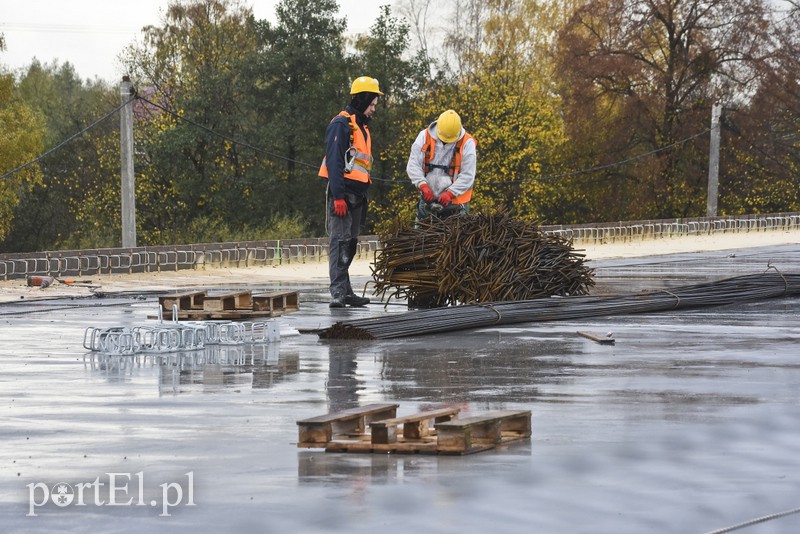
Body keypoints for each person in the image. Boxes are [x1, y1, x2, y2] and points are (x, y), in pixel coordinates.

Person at [319, 76, 383, 308]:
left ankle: (345, 291)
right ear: (363, 98)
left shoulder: (362, 127)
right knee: (339, 242)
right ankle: (337, 292)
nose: (374, 109)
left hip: (358, 195)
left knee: (350, 243)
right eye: (372, 104)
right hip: (343, 195)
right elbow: (335, 162)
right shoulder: (341, 124)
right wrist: (338, 197)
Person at [406, 109, 477, 223]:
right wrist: (422, 185)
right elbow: (413, 165)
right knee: (421, 237)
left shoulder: (467, 143)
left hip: (456, 205)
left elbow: (468, 175)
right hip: (427, 202)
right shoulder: (424, 136)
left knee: (458, 239)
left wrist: (450, 193)